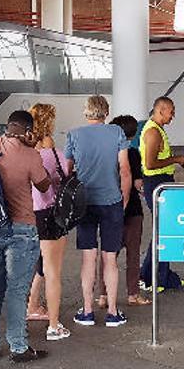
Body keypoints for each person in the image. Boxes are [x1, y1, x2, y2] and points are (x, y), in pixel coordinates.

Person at [0, 110, 51, 363]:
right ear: (27, 131)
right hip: (22, 229)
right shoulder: (30, 155)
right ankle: (18, 347)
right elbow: (43, 185)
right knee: (17, 290)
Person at [64, 95, 132, 327]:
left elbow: (67, 171)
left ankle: (87, 311)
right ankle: (113, 312)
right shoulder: (116, 133)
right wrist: (124, 199)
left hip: (84, 202)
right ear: (106, 112)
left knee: (88, 257)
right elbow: (124, 170)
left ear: (86, 112)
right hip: (111, 200)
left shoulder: (74, 134)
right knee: (110, 258)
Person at [25, 103, 71, 341]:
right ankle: (54, 325)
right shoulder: (53, 153)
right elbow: (64, 177)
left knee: (41, 264)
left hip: (28, 215)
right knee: (53, 271)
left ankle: (32, 306)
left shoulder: (24, 151)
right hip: (50, 213)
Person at [96, 115, 152, 307]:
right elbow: (137, 183)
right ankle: (133, 294)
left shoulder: (104, 153)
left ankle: (103, 296)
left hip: (108, 208)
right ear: (133, 133)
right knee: (133, 254)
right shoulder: (133, 154)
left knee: (108, 254)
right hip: (132, 211)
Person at [139, 97, 184, 292]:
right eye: (171, 112)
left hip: (162, 181)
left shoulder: (158, 129)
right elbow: (150, 164)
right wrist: (176, 159)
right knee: (163, 230)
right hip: (155, 183)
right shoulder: (152, 132)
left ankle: (159, 276)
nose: (173, 116)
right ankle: (152, 277)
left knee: (165, 230)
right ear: (161, 110)